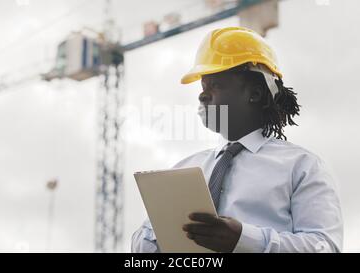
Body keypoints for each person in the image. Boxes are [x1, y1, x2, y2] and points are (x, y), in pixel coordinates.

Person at [131, 27, 343, 253]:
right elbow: (140, 246)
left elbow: (325, 247)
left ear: (255, 93)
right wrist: (156, 235)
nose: (203, 95)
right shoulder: (183, 169)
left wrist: (243, 240)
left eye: (216, 85)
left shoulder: (302, 167)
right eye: (203, 87)